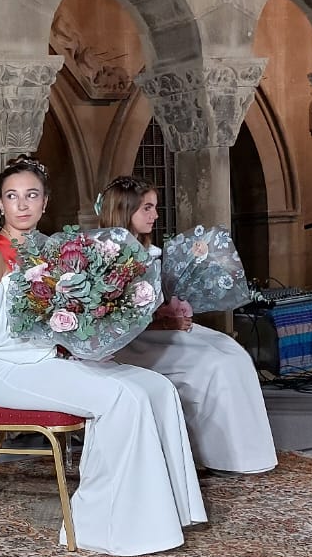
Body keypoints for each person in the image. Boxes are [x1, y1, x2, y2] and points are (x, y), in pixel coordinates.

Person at [0, 156, 206, 556]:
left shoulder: (50, 251)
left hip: (52, 361)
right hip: (10, 370)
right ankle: (102, 525)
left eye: (31, 196)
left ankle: (165, 512)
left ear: (44, 203)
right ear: (0, 204)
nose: (22, 205)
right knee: (121, 397)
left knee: (157, 387)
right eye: (12, 196)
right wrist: (55, 338)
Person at [95, 175, 277, 474]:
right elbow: (115, 320)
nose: (155, 215)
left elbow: (152, 305)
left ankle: (245, 454)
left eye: (155, 207)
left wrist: (170, 315)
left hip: (156, 333)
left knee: (232, 352)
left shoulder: (149, 252)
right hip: (130, 344)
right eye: (147, 208)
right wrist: (162, 323)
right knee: (215, 365)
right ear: (125, 210)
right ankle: (219, 455)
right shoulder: (105, 256)